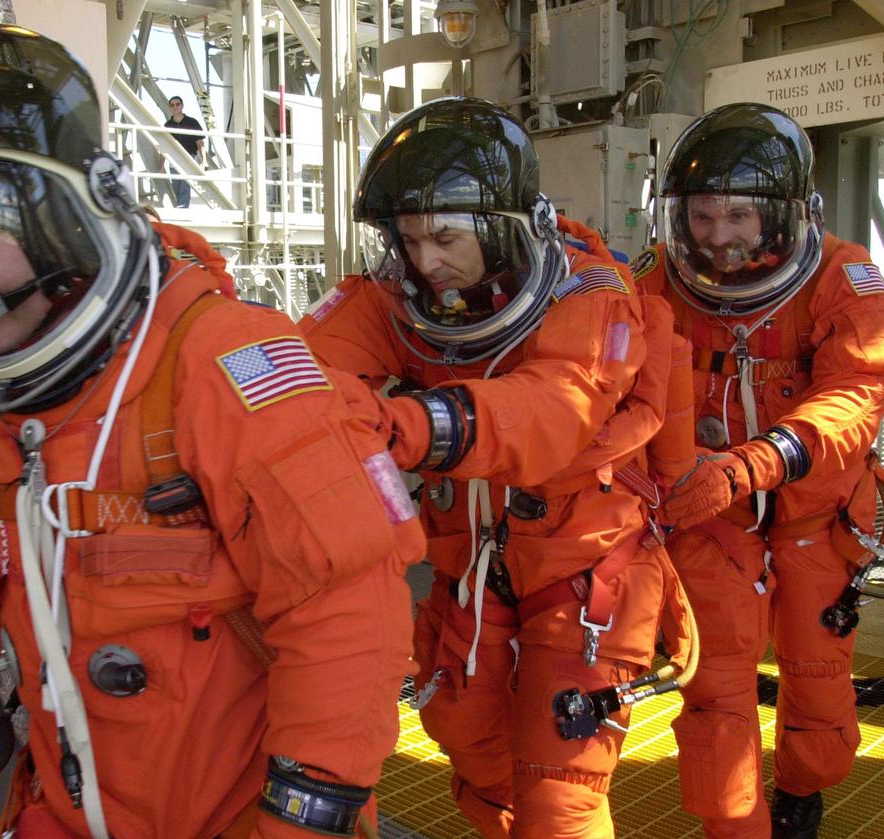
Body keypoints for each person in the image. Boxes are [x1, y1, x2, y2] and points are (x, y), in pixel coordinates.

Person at [0, 25, 428, 838]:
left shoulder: (221, 364)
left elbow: (348, 613)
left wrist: (304, 816)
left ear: (61, 220)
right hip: (65, 802)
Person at [300, 96, 698, 838]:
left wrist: (413, 423)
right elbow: (305, 372)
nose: (426, 262)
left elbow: (552, 408)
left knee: (561, 793)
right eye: (408, 239)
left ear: (503, 230)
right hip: (471, 569)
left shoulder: (591, 295)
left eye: (444, 237)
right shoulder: (399, 300)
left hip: (584, 568)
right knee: (471, 748)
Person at [632, 102, 884, 839]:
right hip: (712, 518)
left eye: (739, 216)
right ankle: (737, 824)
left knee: (817, 680)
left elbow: (855, 394)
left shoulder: (845, 277)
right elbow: (605, 361)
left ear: (784, 215)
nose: (716, 236)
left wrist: (757, 462)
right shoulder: (657, 281)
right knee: (716, 683)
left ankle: (802, 788)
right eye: (702, 216)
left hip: (815, 517)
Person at [164, 96, 204, 208]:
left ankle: (182, 209)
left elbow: (200, 142)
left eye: (177, 104)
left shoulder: (192, 122)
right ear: (170, 108)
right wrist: (161, 165)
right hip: (173, 159)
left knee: (185, 187)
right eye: (172, 105)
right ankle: (179, 208)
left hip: (189, 157)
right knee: (176, 186)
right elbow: (164, 146)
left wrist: (204, 160)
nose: (175, 107)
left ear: (182, 106)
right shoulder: (167, 125)